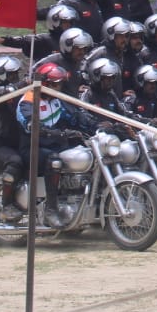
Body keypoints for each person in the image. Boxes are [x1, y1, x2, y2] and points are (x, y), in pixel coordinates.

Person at [15, 62, 99, 227]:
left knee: (86, 155)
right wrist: (47, 130)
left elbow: (73, 116)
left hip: (54, 144)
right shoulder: (28, 100)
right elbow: (29, 122)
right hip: (33, 148)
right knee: (54, 161)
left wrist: (96, 124)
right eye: (54, 84)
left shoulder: (56, 101)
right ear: (44, 83)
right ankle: (50, 210)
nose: (58, 87)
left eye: (59, 83)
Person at [0, 55, 27, 211]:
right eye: (12, 75)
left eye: (17, 74)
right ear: (0, 74)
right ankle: (7, 204)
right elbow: (8, 91)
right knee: (15, 162)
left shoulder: (21, 91)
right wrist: (27, 82)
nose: (16, 78)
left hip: (18, 141)